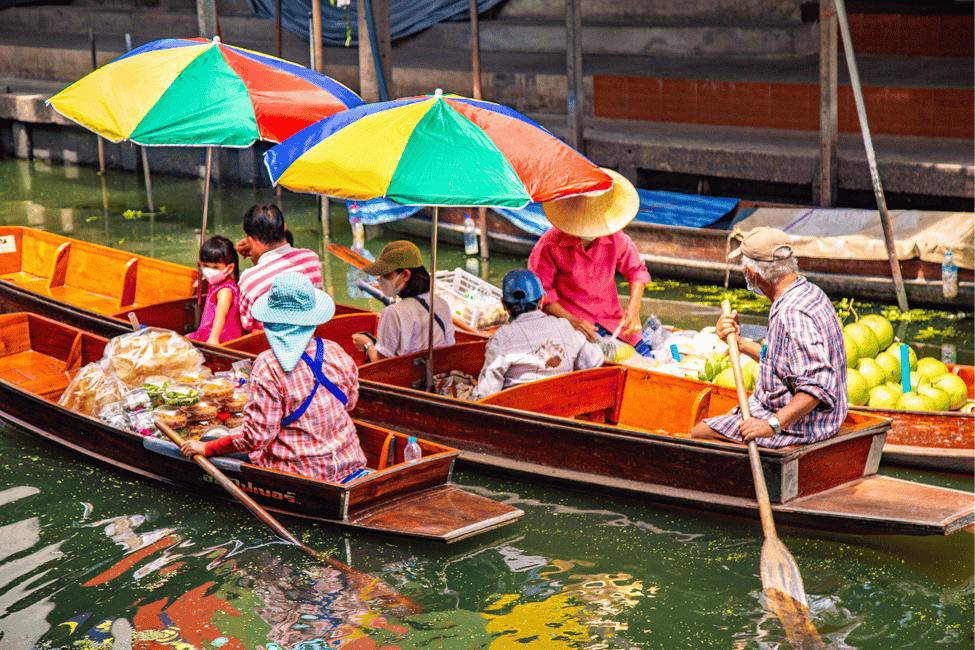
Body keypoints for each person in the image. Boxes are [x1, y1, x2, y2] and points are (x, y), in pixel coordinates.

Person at [180, 273, 367, 482]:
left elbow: (255, 438)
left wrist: (207, 446)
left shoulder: (268, 365)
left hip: (299, 472)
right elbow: (349, 404)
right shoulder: (336, 351)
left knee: (210, 437)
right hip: (349, 460)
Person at [689, 227, 848, 447]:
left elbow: (816, 387)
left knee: (700, 433)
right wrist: (740, 342)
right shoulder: (808, 291)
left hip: (808, 424)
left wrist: (771, 425)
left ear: (752, 274)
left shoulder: (791, 313)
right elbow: (781, 363)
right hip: (808, 415)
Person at [528, 168, 653, 356]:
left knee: (645, 359)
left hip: (612, 320)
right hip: (569, 322)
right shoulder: (550, 243)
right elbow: (540, 291)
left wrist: (634, 308)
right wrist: (571, 320)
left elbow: (637, 270)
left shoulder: (615, 236)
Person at [471, 269, 604, 400]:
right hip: (562, 411)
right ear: (541, 300)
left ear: (504, 304)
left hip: (518, 416)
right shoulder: (564, 326)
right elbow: (594, 361)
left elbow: (486, 394)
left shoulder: (501, 337)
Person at [351, 241, 455, 362]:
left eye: (387, 275)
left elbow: (381, 363)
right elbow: (450, 345)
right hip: (440, 374)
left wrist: (367, 344)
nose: (381, 280)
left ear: (405, 275)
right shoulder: (442, 303)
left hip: (409, 378)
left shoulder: (392, 312)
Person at [235, 202, 324, 332]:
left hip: (267, 347)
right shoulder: (311, 259)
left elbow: (246, 323)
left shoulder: (249, 280)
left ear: (252, 240)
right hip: (308, 334)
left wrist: (256, 256)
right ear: (284, 228)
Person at [186, 235, 245, 345]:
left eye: (215, 268)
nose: (209, 271)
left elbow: (220, 315)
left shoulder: (225, 291)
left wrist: (213, 338)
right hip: (207, 331)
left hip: (220, 336)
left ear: (230, 267)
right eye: (206, 266)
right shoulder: (216, 282)